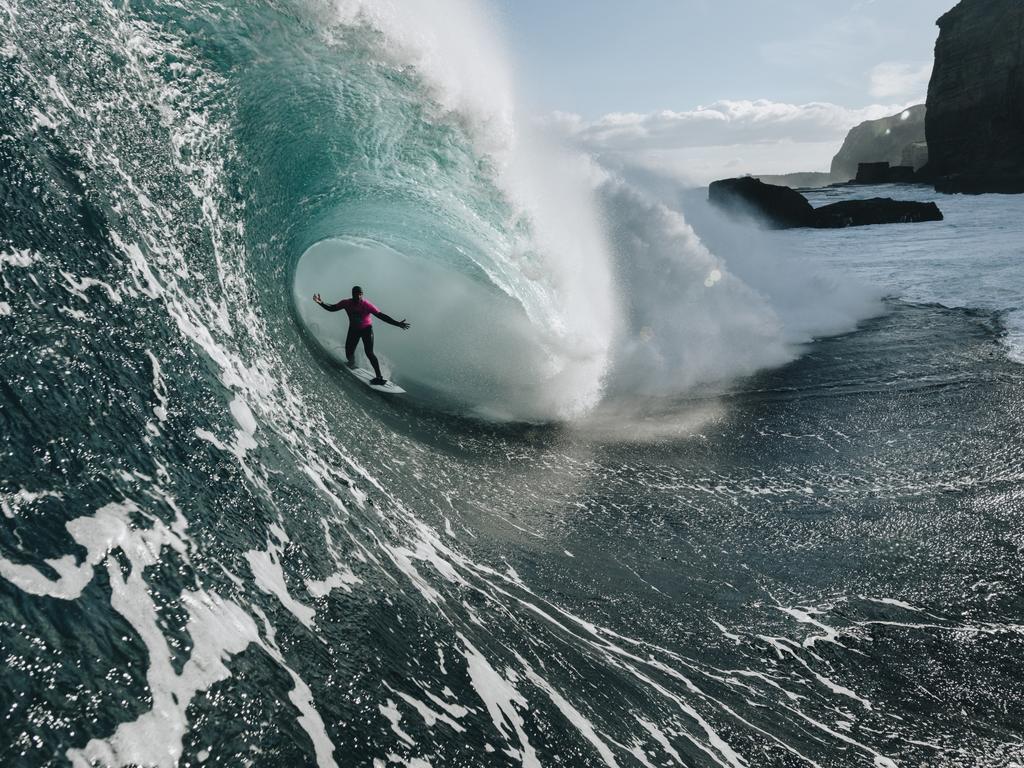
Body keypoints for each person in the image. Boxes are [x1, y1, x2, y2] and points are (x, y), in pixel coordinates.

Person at [313, 286, 410, 385]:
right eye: (356, 294)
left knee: (369, 353)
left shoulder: (367, 305)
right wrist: (321, 302)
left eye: (360, 294)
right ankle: (351, 363)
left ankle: (379, 377)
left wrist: (397, 323)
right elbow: (332, 308)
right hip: (353, 330)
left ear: (362, 294)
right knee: (349, 352)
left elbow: (381, 316)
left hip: (366, 330)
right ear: (352, 294)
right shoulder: (346, 303)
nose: (358, 296)